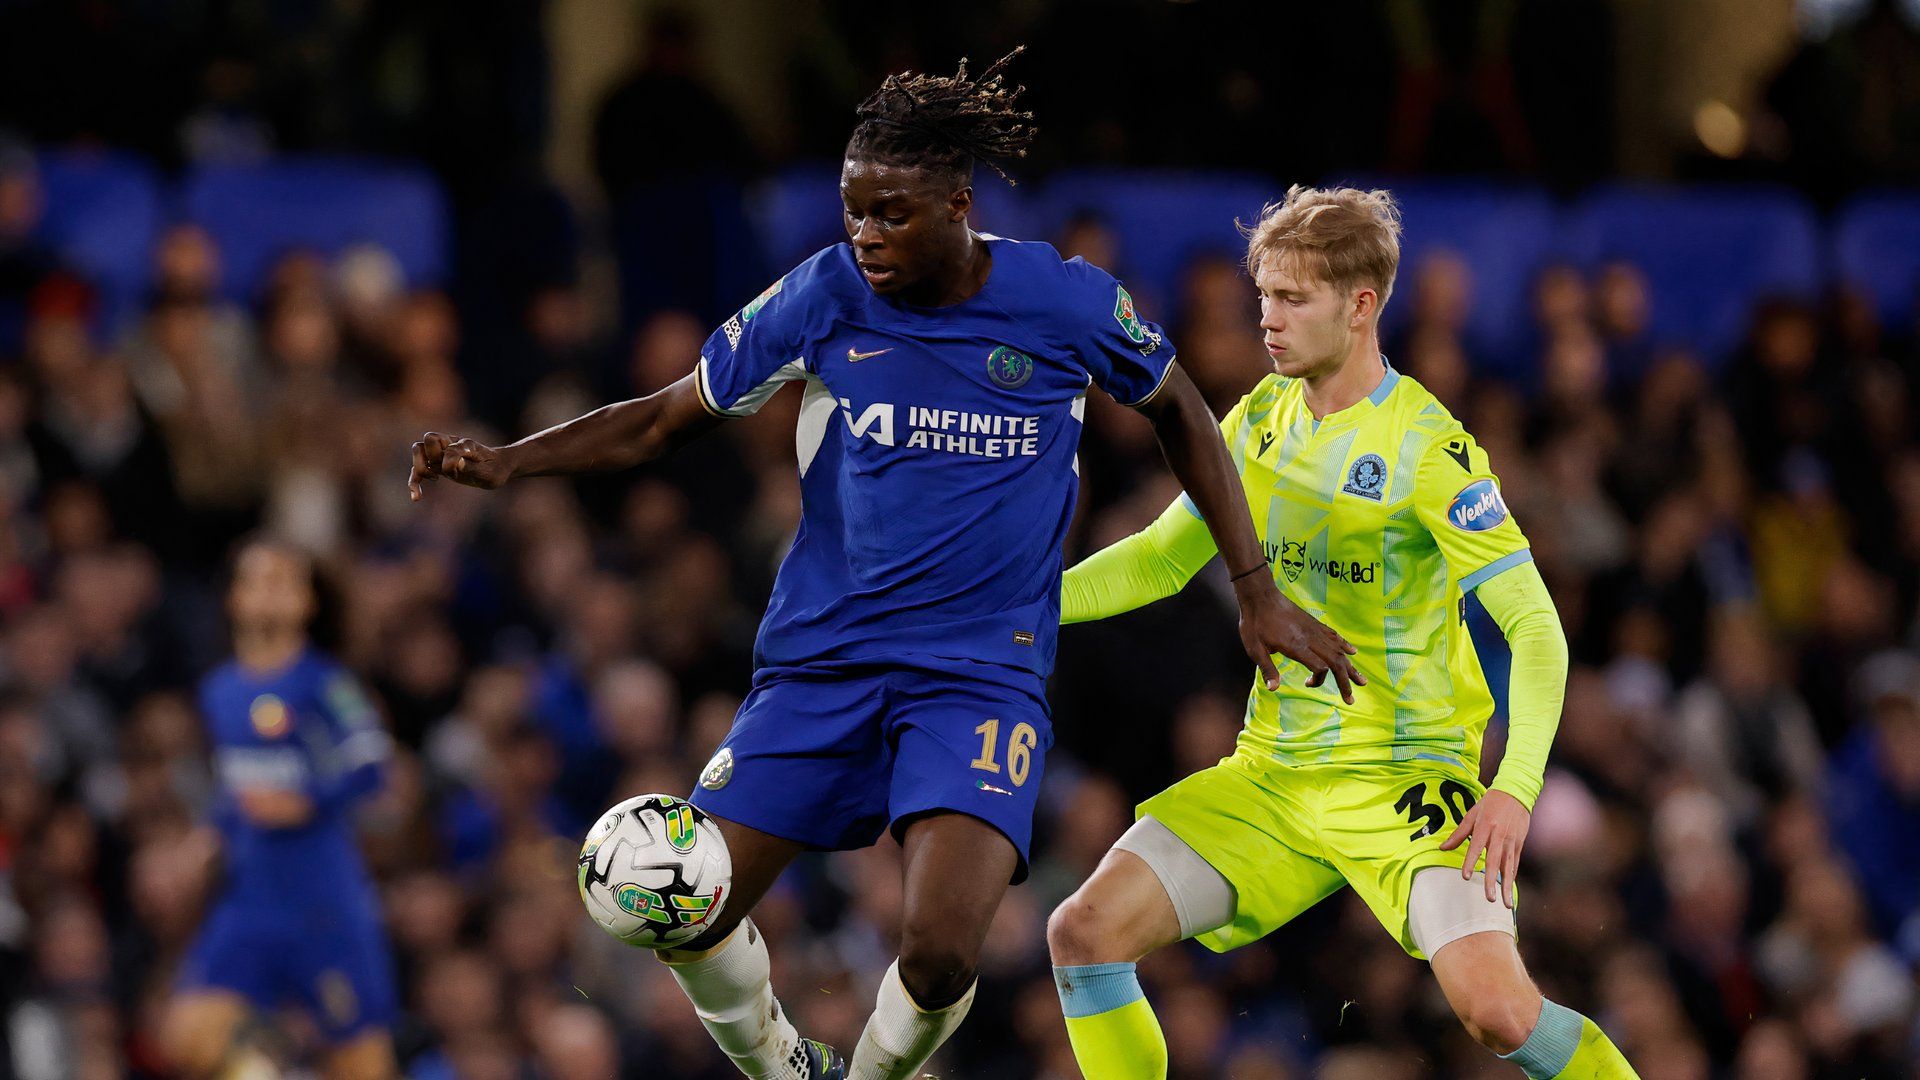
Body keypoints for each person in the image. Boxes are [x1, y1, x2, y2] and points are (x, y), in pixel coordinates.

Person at [407, 50, 1360, 1080]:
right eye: (854, 212)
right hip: (823, 667)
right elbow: (666, 417)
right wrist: (507, 462)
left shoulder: (1064, 301)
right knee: (677, 899)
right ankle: (784, 1066)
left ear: (958, 206)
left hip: (976, 677)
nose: (865, 237)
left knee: (943, 949)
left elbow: (1180, 408)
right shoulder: (824, 295)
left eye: (891, 215)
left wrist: (1255, 587)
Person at [1045, 186, 1639, 1080]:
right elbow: (1158, 561)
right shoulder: (1256, 420)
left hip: (1406, 784)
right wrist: (1015, 602)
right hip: (1275, 778)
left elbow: (1536, 628)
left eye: (1292, 300)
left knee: (1497, 1013)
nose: (1268, 322)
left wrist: (1514, 789)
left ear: (1361, 306)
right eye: (1263, 300)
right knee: (1082, 932)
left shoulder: (1430, 448)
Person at [164, 538, 399, 1079]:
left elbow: (371, 765)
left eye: (284, 580)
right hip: (250, 899)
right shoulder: (219, 691)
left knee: (363, 1065)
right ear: (234, 599)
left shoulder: (328, 684)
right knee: (187, 1034)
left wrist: (308, 802)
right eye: (257, 579)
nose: (270, 591)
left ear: (307, 603)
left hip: (323, 904)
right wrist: (208, 837)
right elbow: (237, 787)